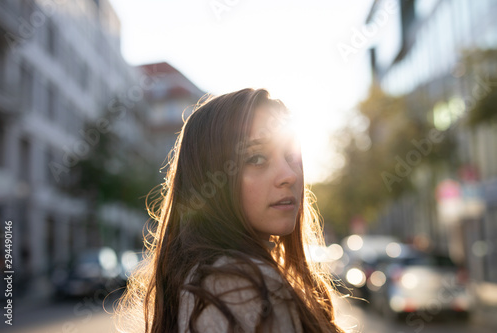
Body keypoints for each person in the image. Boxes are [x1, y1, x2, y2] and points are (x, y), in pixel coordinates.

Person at [115, 88, 344, 333]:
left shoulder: (203, 277)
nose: (289, 175)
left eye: (291, 156)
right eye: (256, 158)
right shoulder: (241, 287)